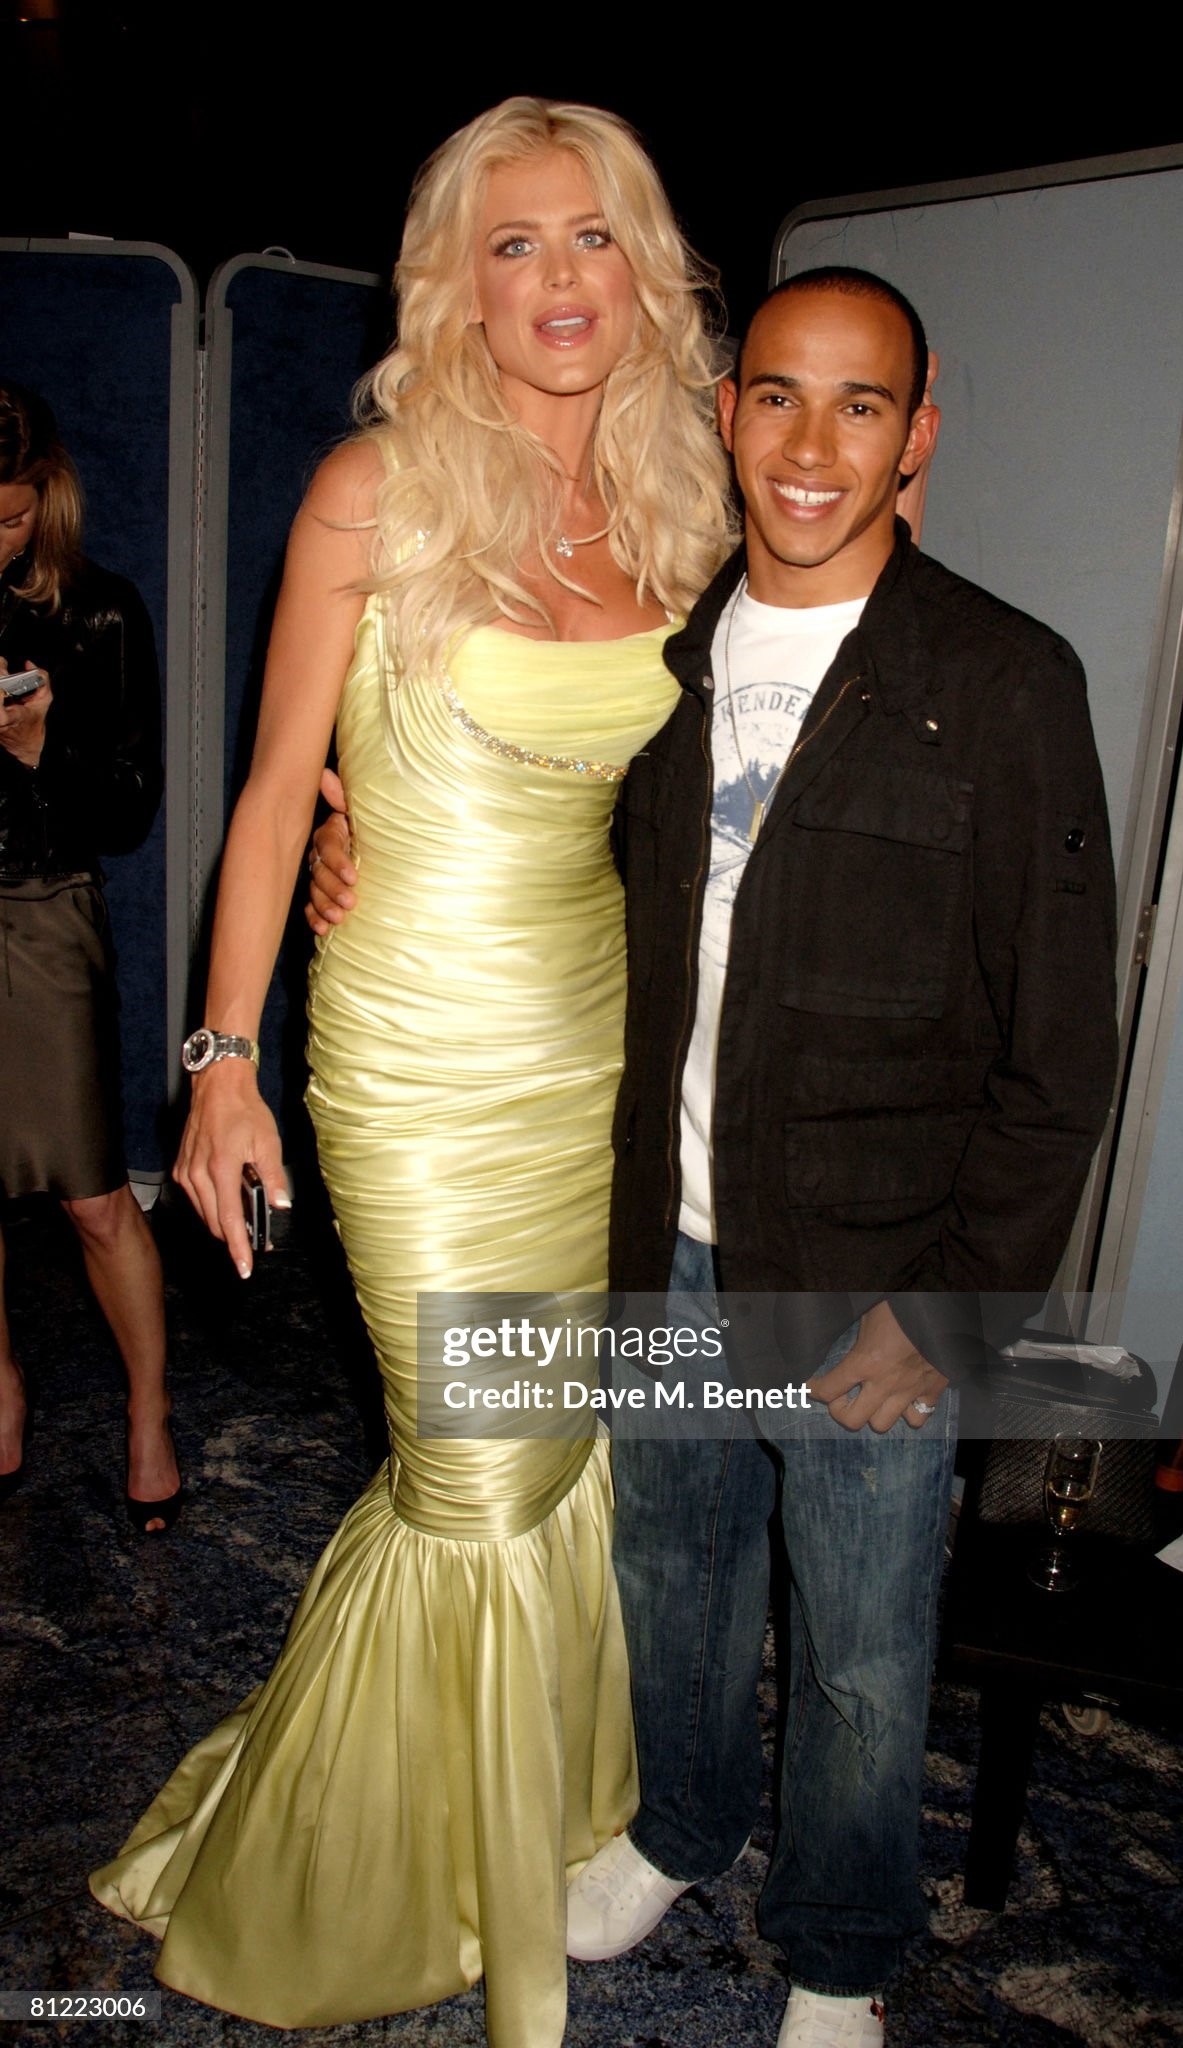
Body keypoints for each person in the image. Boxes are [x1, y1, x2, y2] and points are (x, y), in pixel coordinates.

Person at [90, 100, 731, 2048]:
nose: (556, 281)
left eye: (592, 238)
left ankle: (511, 1812)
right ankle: (374, 1888)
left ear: (647, 269)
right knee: (476, 1475)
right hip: (416, 1049)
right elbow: (280, 797)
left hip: (598, 1043)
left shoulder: (682, 500)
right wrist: (221, 1064)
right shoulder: (376, 490)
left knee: (559, 1454)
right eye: (513, 244)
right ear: (453, 281)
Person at [564, 272, 1120, 2047]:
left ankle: (839, 1942)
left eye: (860, 406)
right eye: (780, 400)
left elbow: (1059, 1052)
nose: (813, 446)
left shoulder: (1002, 678)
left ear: (918, 436)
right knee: (677, 1579)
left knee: (868, 1647)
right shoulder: (653, 653)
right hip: (667, 1240)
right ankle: (678, 1818)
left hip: (870, 1273)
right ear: (726, 413)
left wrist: (948, 1309)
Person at [0, 381, 180, 1532]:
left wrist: (33, 749)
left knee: (95, 1199)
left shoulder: (98, 611)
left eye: (9, 516)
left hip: (43, 910)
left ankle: (150, 1415)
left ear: (46, 498)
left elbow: (125, 813)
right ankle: (0, 1394)